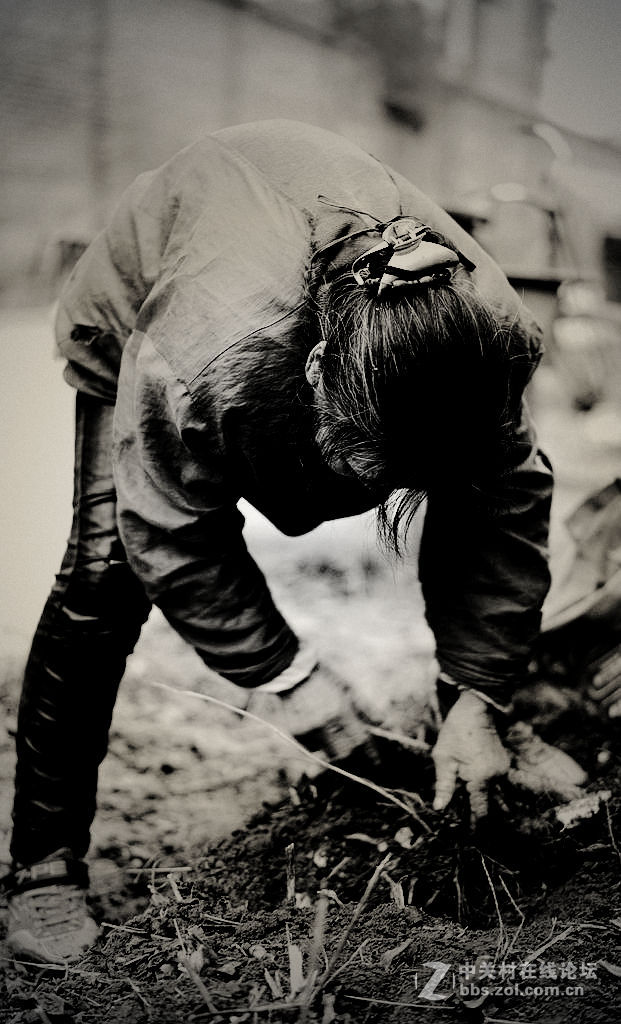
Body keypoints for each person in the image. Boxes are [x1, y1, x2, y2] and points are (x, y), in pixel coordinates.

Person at [5, 120, 584, 966]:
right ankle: (43, 866)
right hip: (145, 304)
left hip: (302, 291)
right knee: (102, 574)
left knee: (475, 497)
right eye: (363, 462)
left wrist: (478, 695)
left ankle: (474, 724)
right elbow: (173, 532)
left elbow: (503, 502)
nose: (367, 494)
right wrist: (293, 684)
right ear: (314, 374)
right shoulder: (205, 360)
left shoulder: (490, 343)